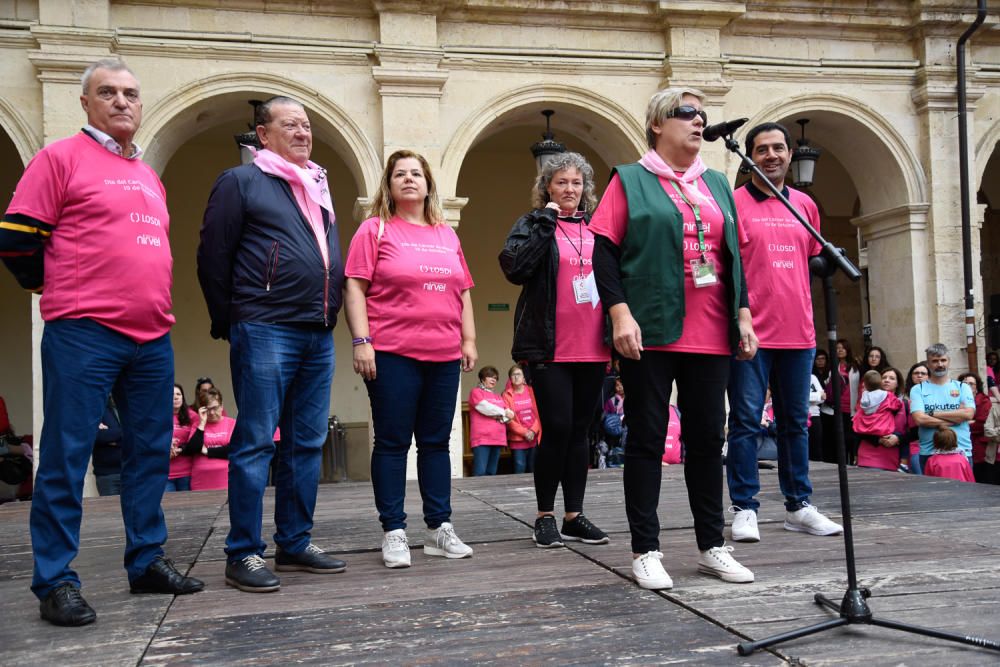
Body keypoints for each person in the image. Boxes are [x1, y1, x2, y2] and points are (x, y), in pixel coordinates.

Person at [0, 58, 203, 626]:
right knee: (65, 457)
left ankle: (146, 561)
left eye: (131, 94)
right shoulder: (58, 158)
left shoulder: (148, 174)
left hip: (152, 336)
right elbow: (15, 238)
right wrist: (51, 283)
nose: (121, 102)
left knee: (146, 455)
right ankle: (55, 581)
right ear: (85, 103)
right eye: (107, 93)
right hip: (84, 332)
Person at [590, 86, 757, 588]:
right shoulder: (630, 180)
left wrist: (744, 314)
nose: (699, 120)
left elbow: (733, 256)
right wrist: (620, 314)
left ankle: (712, 545)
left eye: (702, 114)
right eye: (686, 113)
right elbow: (604, 253)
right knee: (646, 437)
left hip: (711, 329)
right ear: (658, 124)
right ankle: (646, 549)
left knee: (708, 439)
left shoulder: (718, 184)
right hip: (652, 327)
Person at [199, 95, 347, 593]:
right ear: (263, 135)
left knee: (306, 443)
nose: (303, 133)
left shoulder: (318, 187)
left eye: (306, 125)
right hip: (264, 326)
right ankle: (242, 552)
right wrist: (233, 319)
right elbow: (213, 257)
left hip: (316, 331)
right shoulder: (241, 182)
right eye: (291, 125)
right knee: (257, 442)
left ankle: (295, 542)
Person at [344, 149, 477, 569]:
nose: (408, 179)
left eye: (416, 173)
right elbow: (354, 287)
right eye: (399, 174)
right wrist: (361, 340)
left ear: (427, 183)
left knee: (437, 442)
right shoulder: (375, 230)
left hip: (443, 354)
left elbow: (464, 291)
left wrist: (468, 339)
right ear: (389, 183)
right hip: (392, 353)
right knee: (393, 442)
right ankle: (394, 531)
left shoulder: (446, 234)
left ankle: (439, 527)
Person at [724, 121, 842, 544]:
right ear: (750, 156)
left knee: (796, 424)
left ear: (790, 155)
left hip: (800, 332)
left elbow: (811, 261)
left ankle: (798, 506)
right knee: (745, 423)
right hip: (751, 333)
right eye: (762, 149)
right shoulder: (733, 203)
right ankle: (744, 508)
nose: (771, 156)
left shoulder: (805, 205)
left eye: (778, 148)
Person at [499, 151, 611, 549]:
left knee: (581, 431)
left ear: (586, 189)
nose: (569, 189)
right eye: (561, 182)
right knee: (558, 427)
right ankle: (544, 515)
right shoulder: (533, 224)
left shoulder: (598, 228)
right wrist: (546, 222)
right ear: (547, 187)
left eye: (576, 182)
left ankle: (574, 516)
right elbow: (515, 267)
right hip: (550, 346)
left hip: (595, 346)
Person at [909, 343, 975, 471]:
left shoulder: (963, 387)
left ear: (949, 361)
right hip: (929, 452)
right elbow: (920, 420)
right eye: (935, 361)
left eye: (943, 360)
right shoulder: (918, 389)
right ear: (928, 364)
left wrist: (931, 413)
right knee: (932, 491)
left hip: (961, 451)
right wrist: (956, 417)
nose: (940, 364)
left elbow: (968, 414)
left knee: (964, 491)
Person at [856, 368, 908, 471]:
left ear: (898, 383)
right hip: (869, 456)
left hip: (894, 457)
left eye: (892, 378)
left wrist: (898, 438)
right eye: (884, 377)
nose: (887, 380)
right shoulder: (867, 402)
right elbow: (856, 429)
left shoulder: (905, 404)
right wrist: (878, 440)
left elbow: (913, 433)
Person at [185, 388, 237, 491]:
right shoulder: (198, 425)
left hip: (225, 479)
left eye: (215, 408)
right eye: (208, 409)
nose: (212, 412)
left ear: (221, 406)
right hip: (200, 480)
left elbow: (233, 449)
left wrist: (207, 451)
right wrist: (202, 423)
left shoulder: (232, 423)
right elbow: (192, 448)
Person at [468, 366, 512, 476]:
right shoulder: (476, 392)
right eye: (489, 377)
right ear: (482, 378)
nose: (493, 380)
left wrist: (501, 414)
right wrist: (502, 413)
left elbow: (509, 415)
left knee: (492, 472)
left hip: (498, 437)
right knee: (480, 472)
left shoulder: (498, 397)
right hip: (482, 438)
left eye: (495, 378)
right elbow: (484, 407)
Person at [502, 365, 541, 474]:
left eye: (518, 374)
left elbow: (540, 413)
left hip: (534, 437)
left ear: (524, 378)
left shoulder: (532, 391)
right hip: (517, 439)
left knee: (533, 468)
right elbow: (508, 419)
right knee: (520, 468)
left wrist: (533, 431)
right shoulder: (506, 395)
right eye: (513, 375)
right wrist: (525, 433)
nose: (515, 377)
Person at [827, 339, 861, 464]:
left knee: (851, 437)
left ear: (848, 350)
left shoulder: (856, 366)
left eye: (842, 348)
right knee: (838, 438)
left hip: (852, 407)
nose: (840, 350)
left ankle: (852, 460)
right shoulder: (831, 366)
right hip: (836, 407)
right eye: (837, 348)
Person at [958, 372, 993, 484]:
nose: (968, 386)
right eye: (965, 383)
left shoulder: (984, 401)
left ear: (977, 387)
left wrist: (961, 422)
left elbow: (982, 425)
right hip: (960, 446)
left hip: (979, 448)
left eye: (971, 384)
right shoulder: (955, 400)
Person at [92, 397, 123, 496]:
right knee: (112, 510)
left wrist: (113, 437)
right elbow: (96, 436)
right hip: (107, 474)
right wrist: (126, 433)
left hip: (132, 472)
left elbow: (141, 434)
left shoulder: (132, 408)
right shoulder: (97, 407)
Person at [167, 384, 195, 492]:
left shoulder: (192, 416)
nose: (176, 397)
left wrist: (178, 449)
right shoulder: (159, 415)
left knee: (188, 507)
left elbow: (195, 442)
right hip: (166, 473)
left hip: (187, 472)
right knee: (169, 506)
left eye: (178, 394)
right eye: (172, 394)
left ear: (183, 397)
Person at [904, 361, 930, 474]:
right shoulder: (904, 398)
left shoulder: (935, 395)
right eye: (916, 373)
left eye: (923, 373)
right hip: (916, 444)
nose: (919, 375)